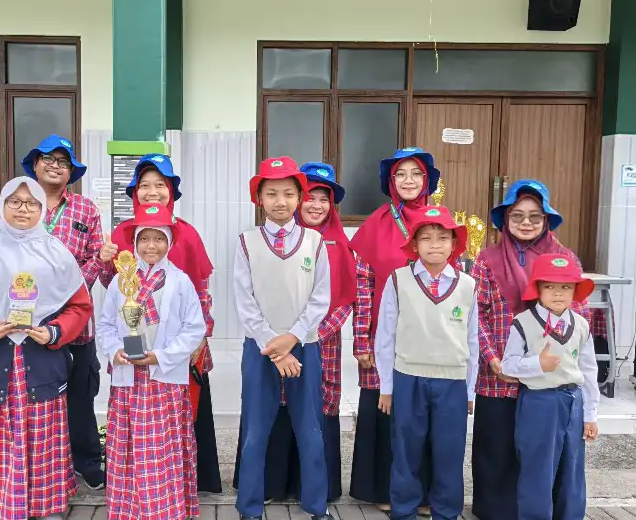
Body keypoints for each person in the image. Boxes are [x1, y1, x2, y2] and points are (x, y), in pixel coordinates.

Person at [0, 177, 94, 520]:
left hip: (41, 359)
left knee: (44, 436)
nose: (23, 209)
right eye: (15, 202)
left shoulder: (57, 252)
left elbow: (79, 307)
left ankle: (46, 504)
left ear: (42, 208)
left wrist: (55, 332)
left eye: (31, 203)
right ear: (2, 206)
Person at [471, 179, 596, 520]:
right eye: (517, 216)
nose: (526, 223)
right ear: (504, 219)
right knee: (498, 449)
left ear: (547, 220)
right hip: (498, 374)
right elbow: (475, 314)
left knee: (550, 455)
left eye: (535, 217)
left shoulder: (564, 258)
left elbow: (580, 313)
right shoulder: (487, 258)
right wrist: (493, 359)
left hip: (551, 382)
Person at [98, 153, 222, 494]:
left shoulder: (188, 234)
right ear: (135, 192)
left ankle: (178, 489)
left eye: (160, 185)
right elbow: (115, 298)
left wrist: (198, 340)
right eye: (145, 186)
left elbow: (202, 290)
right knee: (132, 426)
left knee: (179, 419)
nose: (152, 192)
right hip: (132, 354)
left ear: (171, 190)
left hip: (177, 352)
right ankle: (133, 494)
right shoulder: (121, 234)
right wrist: (105, 262)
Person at [232, 162, 354, 502]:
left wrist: (293, 338)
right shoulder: (247, 242)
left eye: (288, 194)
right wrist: (273, 345)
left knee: (310, 427)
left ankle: (315, 502)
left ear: (299, 197)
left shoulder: (315, 241)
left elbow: (321, 298)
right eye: (271, 194)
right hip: (259, 348)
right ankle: (250, 503)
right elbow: (244, 300)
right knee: (256, 430)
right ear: (259, 198)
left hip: (306, 346)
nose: (280, 201)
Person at [97, 203, 206, 520]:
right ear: (134, 244)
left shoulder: (180, 281)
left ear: (169, 242)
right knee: (129, 447)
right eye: (144, 239)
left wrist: (160, 355)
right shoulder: (120, 281)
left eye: (159, 239)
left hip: (164, 380)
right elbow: (105, 324)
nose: (151, 246)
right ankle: (128, 510)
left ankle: (165, 510)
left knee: (162, 449)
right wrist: (115, 350)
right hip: (128, 381)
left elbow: (194, 328)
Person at [347, 148, 438, 513]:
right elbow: (363, 286)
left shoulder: (439, 221)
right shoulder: (378, 222)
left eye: (416, 174)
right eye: (401, 175)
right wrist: (361, 339)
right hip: (382, 336)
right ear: (390, 182)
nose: (409, 181)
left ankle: (426, 492)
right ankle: (383, 489)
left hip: (431, 340)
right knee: (385, 410)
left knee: (425, 412)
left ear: (427, 179)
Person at [375, 205, 478, 520]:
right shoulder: (398, 280)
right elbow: (385, 337)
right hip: (409, 378)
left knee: (449, 452)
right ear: (414, 244)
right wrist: (386, 387)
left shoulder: (467, 285)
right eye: (426, 238)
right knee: (406, 451)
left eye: (442, 237)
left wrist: (470, 391)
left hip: (452, 382)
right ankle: (403, 510)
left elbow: (472, 340)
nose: (435, 244)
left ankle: (446, 512)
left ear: (453, 244)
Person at [21, 134, 112, 489]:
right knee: (33, 395)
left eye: (63, 161)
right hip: (27, 320)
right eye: (49, 159)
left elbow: (95, 258)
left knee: (80, 394)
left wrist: (69, 294)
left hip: (76, 322)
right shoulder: (21, 202)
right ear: (36, 164)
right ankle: (38, 463)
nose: (56, 166)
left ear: (71, 171)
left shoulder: (85, 208)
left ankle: (87, 461)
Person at [501, 253, 600, 520]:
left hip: (574, 400)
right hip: (539, 402)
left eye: (566, 287)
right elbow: (507, 364)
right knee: (538, 470)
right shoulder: (523, 322)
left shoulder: (580, 324)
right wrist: (537, 364)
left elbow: (589, 370)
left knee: (573, 469)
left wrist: (590, 414)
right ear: (538, 289)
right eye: (550, 287)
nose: (558, 294)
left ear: (575, 291)